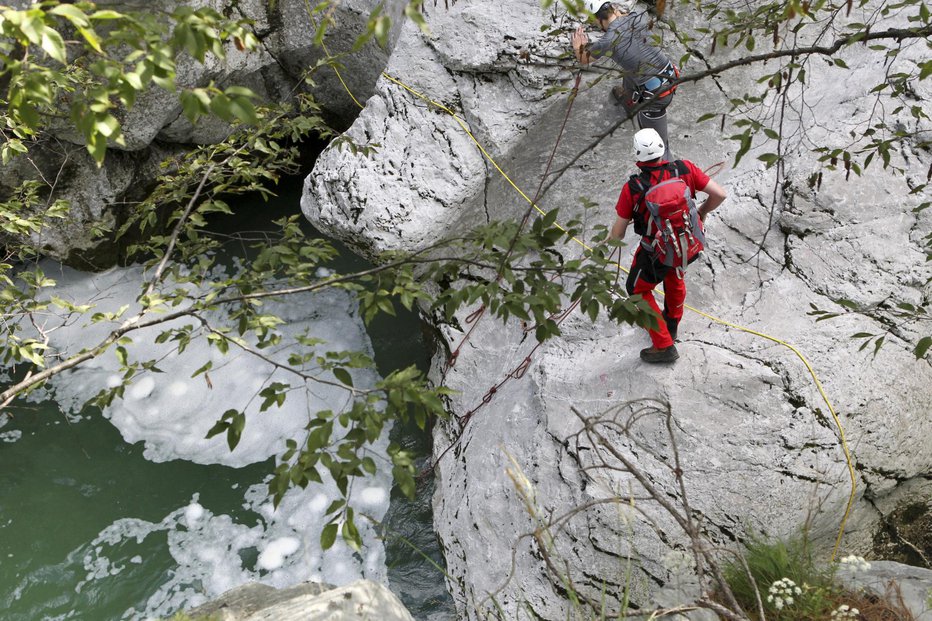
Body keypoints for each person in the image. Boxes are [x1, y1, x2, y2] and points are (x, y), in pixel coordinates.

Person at [610, 128, 727, 364]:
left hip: (655, 251)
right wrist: (702, 212)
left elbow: (618, 233)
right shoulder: (684, 169)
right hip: (687, 243)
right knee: (675, 275)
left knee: (637, 289)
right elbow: (720, 194)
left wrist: (609, 240)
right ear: (662, 148)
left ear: (637, 155)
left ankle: (664, 345)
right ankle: (671, 324)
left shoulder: (633, 188)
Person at [571, 1, 678, 161]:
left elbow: (583, 58)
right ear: (614, 8)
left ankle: (670, 177)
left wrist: (577, 46)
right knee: (630, 67)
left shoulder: (607, 41)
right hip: (671, 76)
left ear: (597, 20)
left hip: (656, 98)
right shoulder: (637, 18)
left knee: (658, 148)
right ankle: (629, 99)